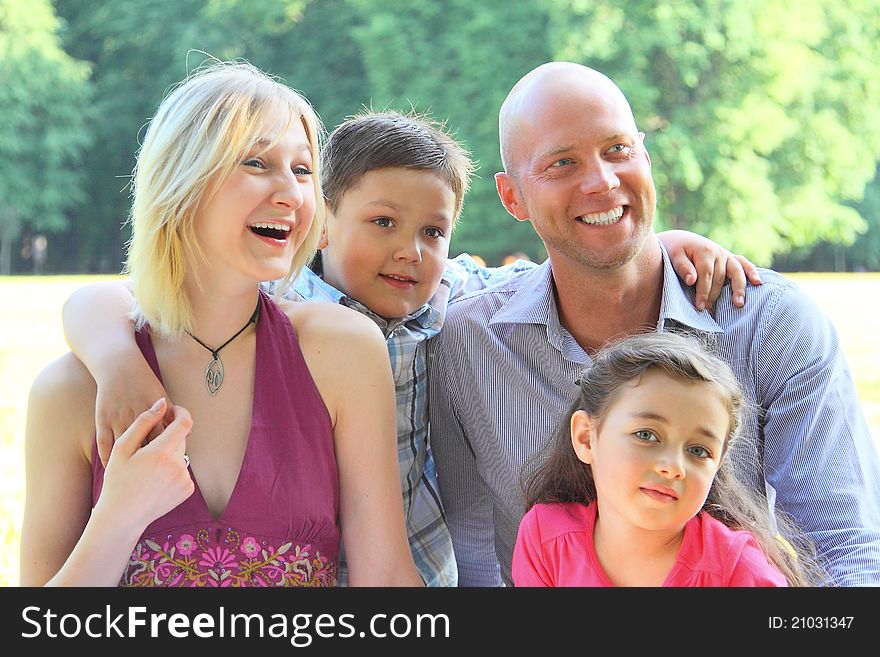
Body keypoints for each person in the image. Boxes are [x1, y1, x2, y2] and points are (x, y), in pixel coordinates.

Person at [60, 108, 759, 586]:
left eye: (432, 231)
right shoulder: (279, 306)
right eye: (384, 222)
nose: (410, 250)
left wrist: (660, 245)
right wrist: (115, 357)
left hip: (429, 567)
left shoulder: (454, 293)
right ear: (321, 225)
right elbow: (115, 299)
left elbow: (563, 267)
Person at [429, 61, 880, 587]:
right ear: (513, 197)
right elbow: (477, 562)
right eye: (562, 163)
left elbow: (846, 549)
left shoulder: (770, 323)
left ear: (646, 154)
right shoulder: (467, 343)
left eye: (617, 150)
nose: (601, 181)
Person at [19, 61, 421, 587]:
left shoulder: (341, 352)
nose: (292, 194)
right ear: (181, 180)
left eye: (302, 170)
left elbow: (385, 579)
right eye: (257, 162)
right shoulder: (72, 391)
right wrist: (118, 515)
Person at [512, 332, 826, 587]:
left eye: (699, 450)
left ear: (716, 466)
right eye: (646, 435)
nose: (673, 466)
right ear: (585, 437)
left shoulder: (741, 572)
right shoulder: (545, 539)